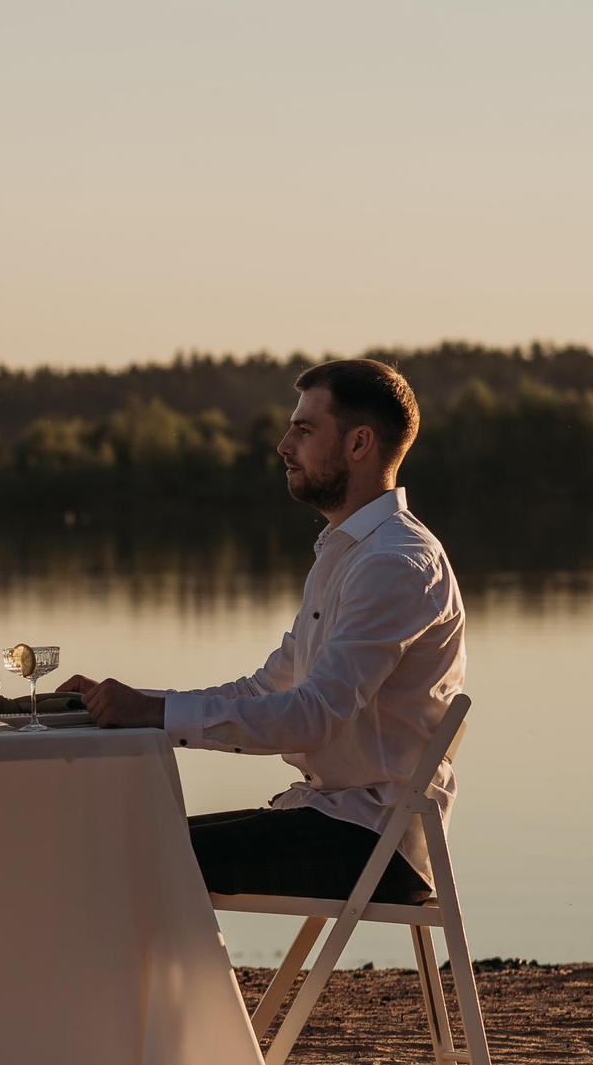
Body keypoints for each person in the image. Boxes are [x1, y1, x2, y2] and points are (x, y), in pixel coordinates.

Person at [62, 358, 463, 905]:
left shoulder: (393, 563)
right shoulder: (348, 554)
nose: (283, 445)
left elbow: (312, 717)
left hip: (375, 844)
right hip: (336, 819)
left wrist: (153, 714)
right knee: (127, 842)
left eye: (304, 430)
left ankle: (158, 968)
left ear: (359, 443)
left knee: (129, 854)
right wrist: (128, 703)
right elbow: (265, 690)